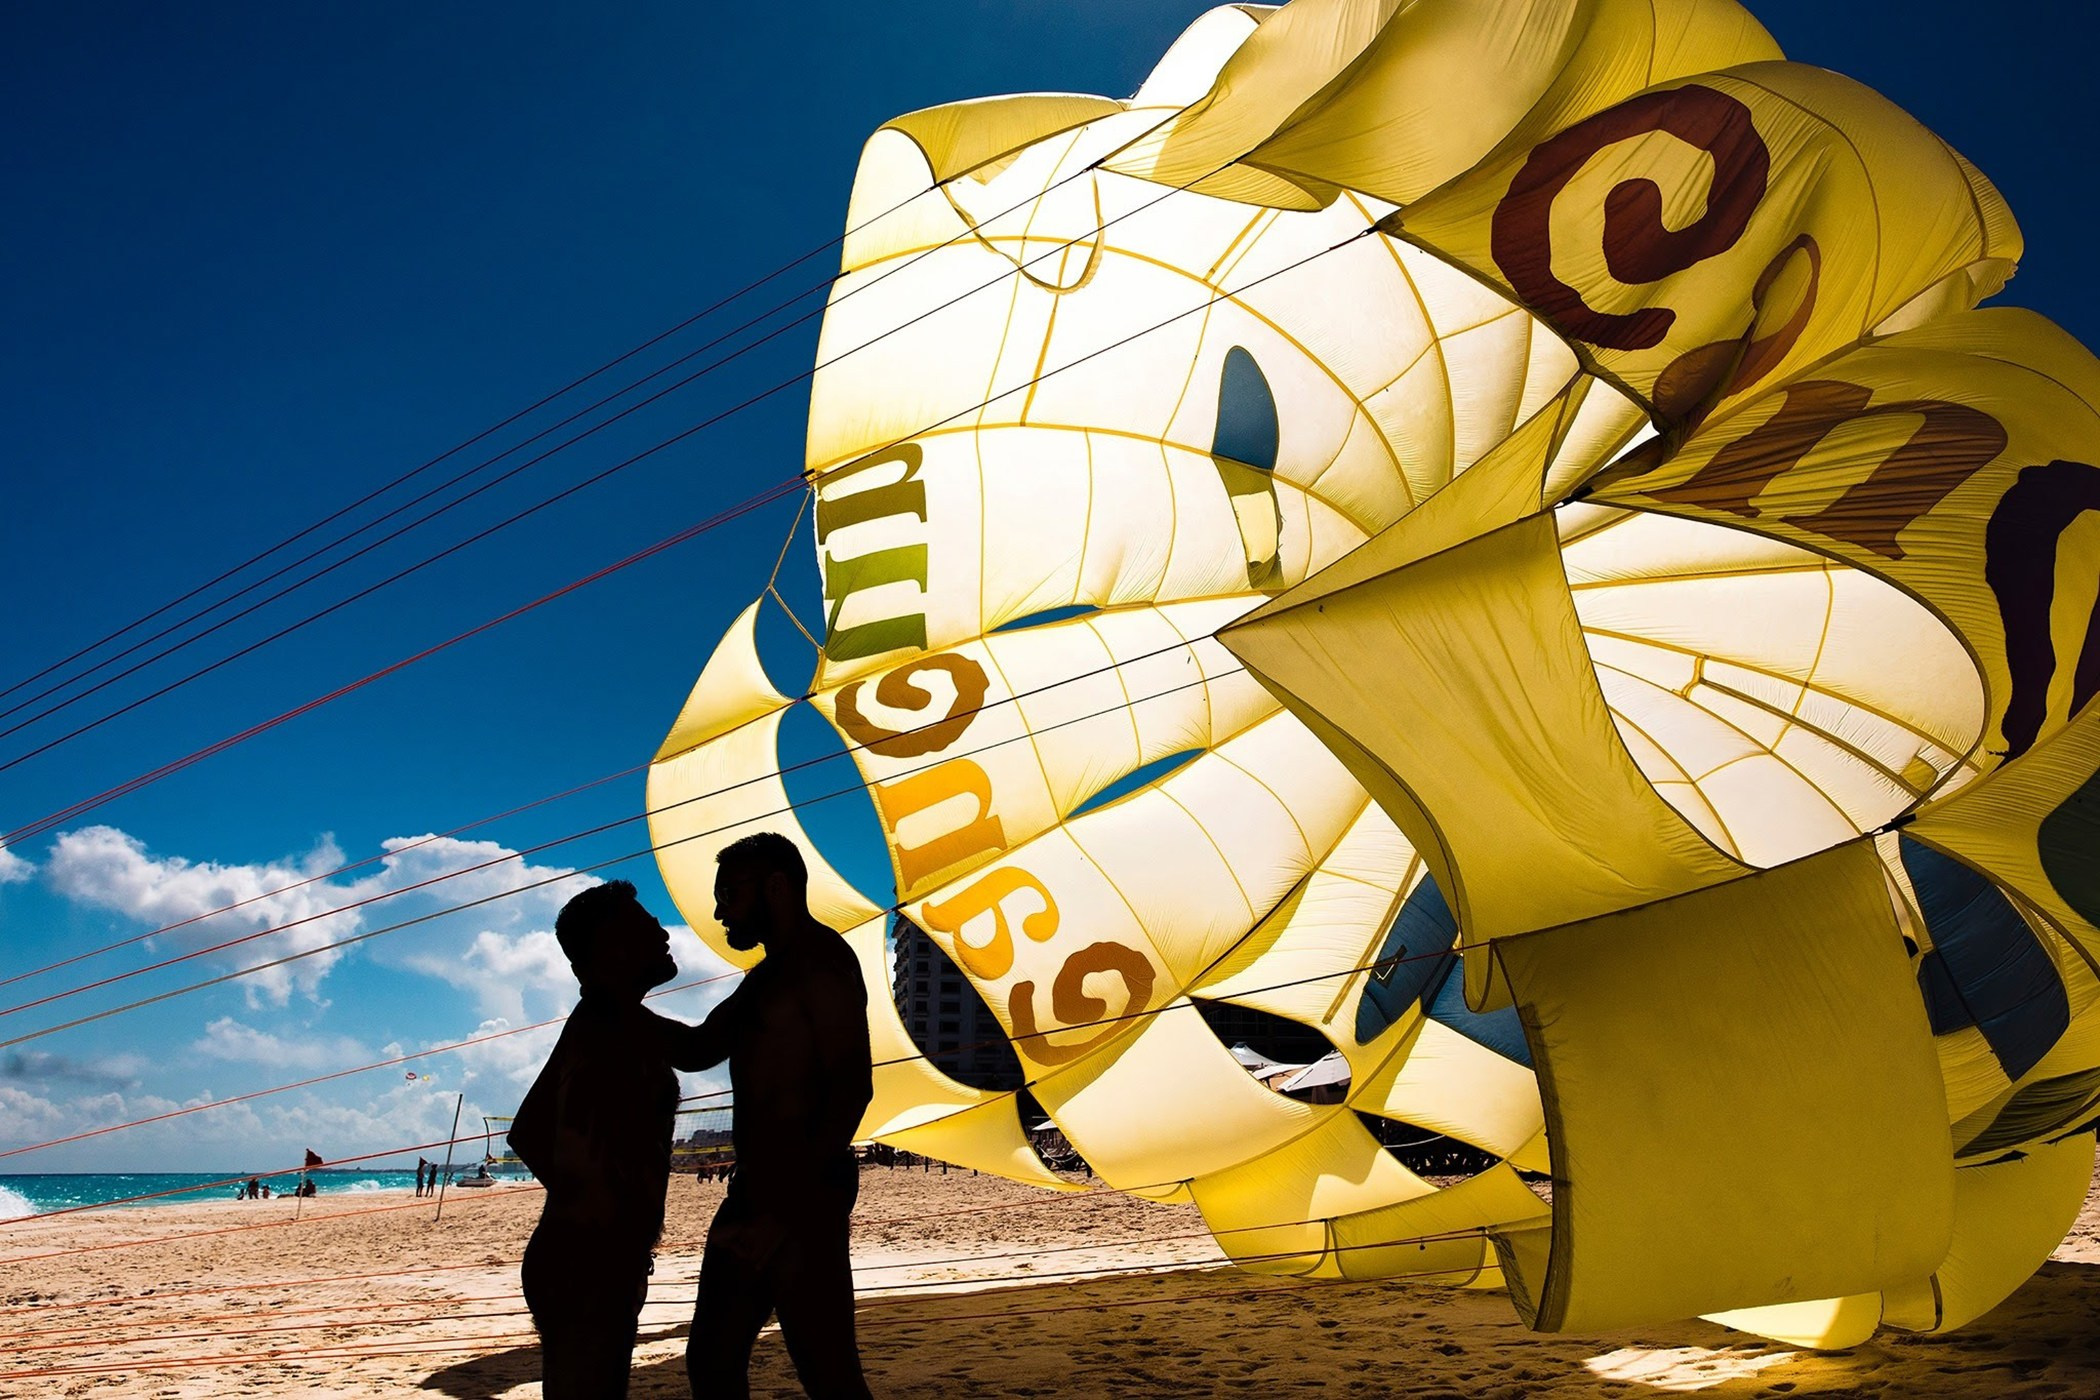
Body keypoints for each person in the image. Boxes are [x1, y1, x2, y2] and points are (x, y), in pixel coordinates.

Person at [656, 831, 875, 1400]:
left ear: (776, 887)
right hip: (755, 1197)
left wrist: (785, 1214)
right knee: (711, 1360)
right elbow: (699, 1046)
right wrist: (612, 1009)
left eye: (730, 893)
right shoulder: (765, 978)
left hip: (801, 1203)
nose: (719, 910)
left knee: (828, 1371)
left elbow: (852, 1088)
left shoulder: (822, 962)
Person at [508, 879, 681, 1399]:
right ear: (614, 949)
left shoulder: (601, 1020)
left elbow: (525, 1130)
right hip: (587, 1262)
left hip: (588, 1256)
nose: (661, 931)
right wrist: (596, 1213)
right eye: (645, 924)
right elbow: (702, 1046)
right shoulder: (612, 1019)